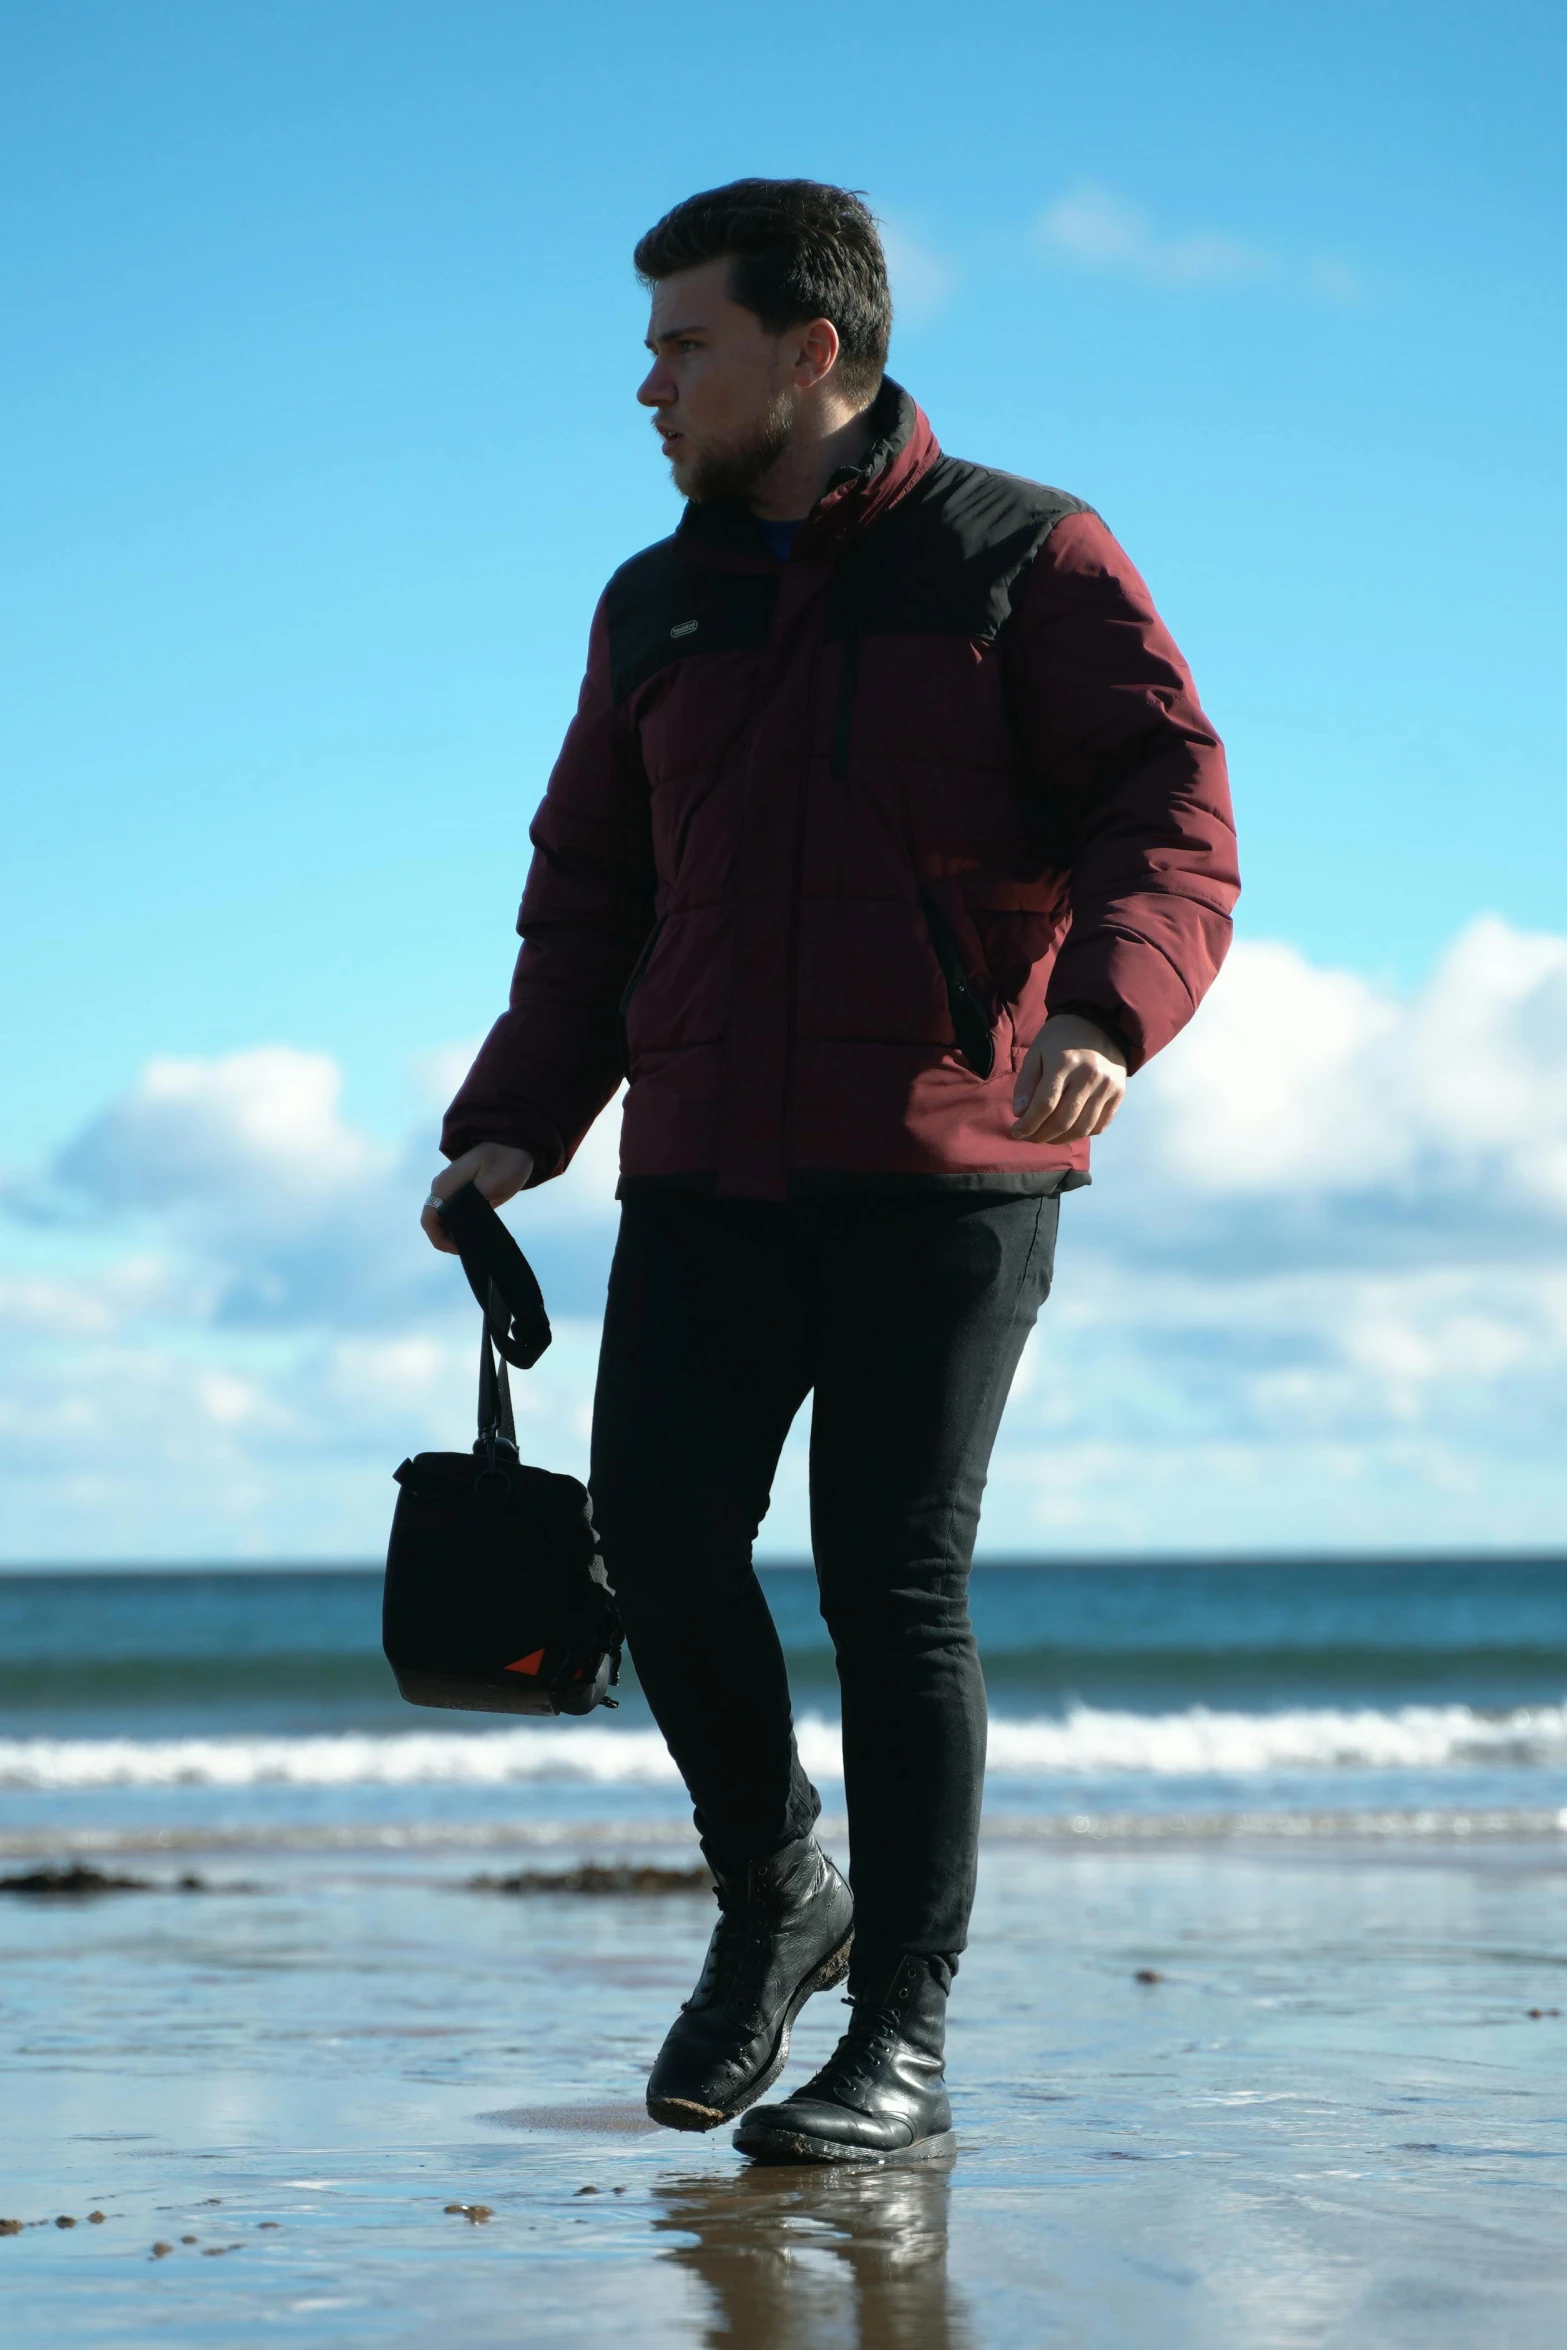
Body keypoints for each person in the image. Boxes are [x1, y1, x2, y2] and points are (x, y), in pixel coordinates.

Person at [423, 179, 1238, 2165]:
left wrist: (1110, 1011)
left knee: (895, 1577)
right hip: (705, 1159)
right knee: (662, 1531)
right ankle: (781, 1878)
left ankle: (901, 2038)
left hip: (950, 1166)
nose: (647, 382)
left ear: (812, 352)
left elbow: (1171, 800)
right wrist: (518, 1111)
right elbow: (592, 893)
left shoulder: (1020, 556)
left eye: (682, 343)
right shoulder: (655, 603)